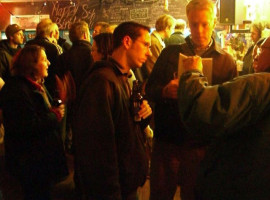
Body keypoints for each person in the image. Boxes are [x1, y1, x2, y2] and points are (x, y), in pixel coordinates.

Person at [145, 0, 237, 199]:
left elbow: (230, 107)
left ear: (213, 23)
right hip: (168, 142)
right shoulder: (170, 53)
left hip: (201, 146)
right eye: (194, 24)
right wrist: (164, 91)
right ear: (188, 22)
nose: (199, 30)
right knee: (160, 195)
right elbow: (149, 89)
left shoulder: (225, 60)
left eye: (204, 24)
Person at [72, 21, 152, 200]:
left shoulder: (121, 77)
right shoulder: (102, 82)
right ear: (127, 42)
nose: (149, 52)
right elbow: (98, 149)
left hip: (127, 184)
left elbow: (123, 128)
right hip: (115, 190)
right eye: (146, 45)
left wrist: (141, 115)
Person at [178, 54, 270, 199]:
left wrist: (192, 73)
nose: (256, 55)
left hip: (237, 183)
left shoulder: (259, 84)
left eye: (262, 50)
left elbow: (200, 111)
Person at [0, 45, 68, 200]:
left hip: (39, 161)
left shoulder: (36, 84)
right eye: (44, 59)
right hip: (30, 163)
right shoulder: (17, 89)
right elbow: (26, 125)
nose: (49, 63)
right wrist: (55, 115)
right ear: (31, 65)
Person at [27, 21, 63, 98]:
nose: (48, 63)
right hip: (50, 87)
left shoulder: (28, 45)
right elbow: (60, 69)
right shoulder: (54, 47)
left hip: (29, 85)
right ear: (51, 34)